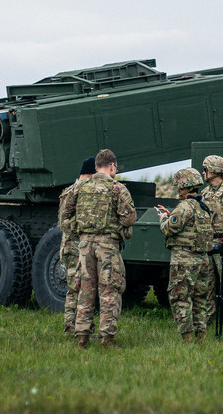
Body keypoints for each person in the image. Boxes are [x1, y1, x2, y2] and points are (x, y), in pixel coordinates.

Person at [60, 149, 136, 349]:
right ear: (112, 166)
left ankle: (82, 337)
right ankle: (107, 339)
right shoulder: (117, 189)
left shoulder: (79, 187)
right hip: (108, 247)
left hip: (84, 247)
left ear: (96, 167)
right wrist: (118, 229)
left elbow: (64, 217)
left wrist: (79, 231)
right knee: (109, 291)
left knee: (85, 291)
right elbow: (129, 218)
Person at [156, 168, 213, 343]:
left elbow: (170, 228)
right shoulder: (203, 207)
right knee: (200, 300)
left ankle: (187, 340)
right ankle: (200, 337)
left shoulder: (185, 206)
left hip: (184, 260)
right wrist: (170, 215)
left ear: (184, 187)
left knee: (180, 298)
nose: (178, 191)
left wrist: (163, 219)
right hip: (202, 259)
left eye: (179, 187)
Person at [57, 156, 96, 337]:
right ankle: (71, 328)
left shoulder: (77, 190)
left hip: (79, 246)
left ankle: (82, 326)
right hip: (73, 247)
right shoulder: (73, 192)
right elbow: (64, 222)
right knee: (75, 288)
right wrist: (85, 227)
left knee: (83, 288)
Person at [200, 155, 223, 324]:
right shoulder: (205, 192)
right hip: (209, 244)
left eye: (206, 169)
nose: (203, 172)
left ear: (214, 171)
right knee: (207, 286)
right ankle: (208, 320)